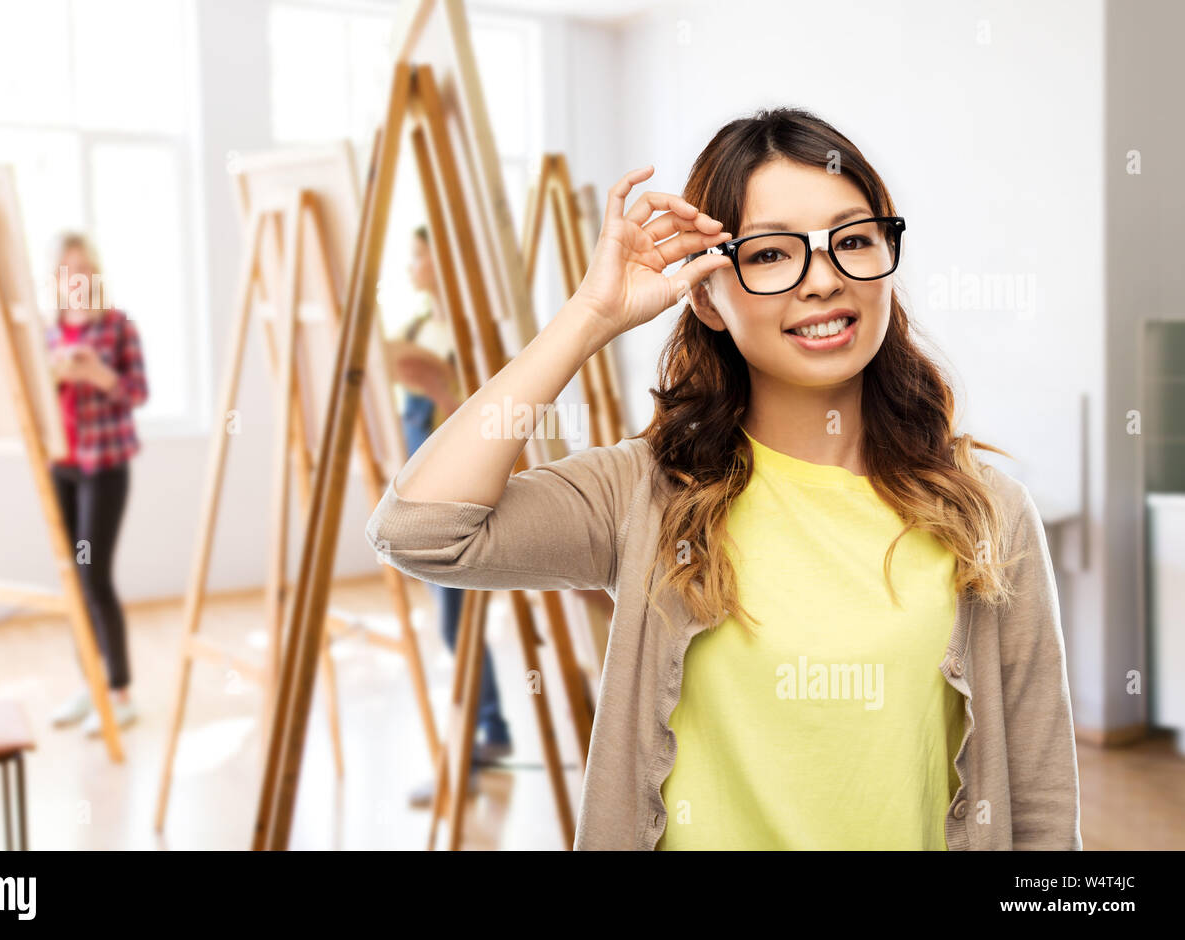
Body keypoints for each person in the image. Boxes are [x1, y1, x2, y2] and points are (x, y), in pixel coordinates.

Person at [367, 107, 1081, 849]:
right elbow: (421, 532)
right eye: (773, 254)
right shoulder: (644, 495)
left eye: (854, 240)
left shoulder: (989, 511)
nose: (824, 281)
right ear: (707, 295)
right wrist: (588, 316)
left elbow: (1040, 810)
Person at [389, 227, 513, 805]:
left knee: (456, 622)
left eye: (422, 253)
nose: (414, 264)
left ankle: (470, 749)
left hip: (465, 500)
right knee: (454, 620)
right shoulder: (414, 331)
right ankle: (492, 729)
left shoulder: (473, 333)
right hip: (419, 496)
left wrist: (442, 388)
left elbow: (486, 425)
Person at [44, 232, 149, 737]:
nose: (76, 279)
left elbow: (137, 392)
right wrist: (56, 375)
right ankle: (89, 681)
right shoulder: (48, 332)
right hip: (60, 465)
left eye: (84, 269)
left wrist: (99, 375)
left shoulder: (118, 326)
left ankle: (120, 690)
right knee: (72, 577)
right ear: (57, 279)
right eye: (68, 270)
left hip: (103, 469)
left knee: (93, 576)